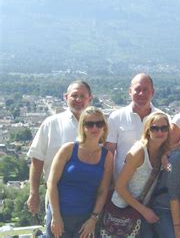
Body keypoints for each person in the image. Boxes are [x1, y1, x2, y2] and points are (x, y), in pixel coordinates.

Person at [27, 80, 93, 215]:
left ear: (90, 99)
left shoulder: (97, 125)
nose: (78, 99)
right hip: (56, 195)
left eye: (83, 96)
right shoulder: (51, 124)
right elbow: (37, 160)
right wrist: (34, 193)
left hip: (89, 198)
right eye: (74, 95)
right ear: (66, 97)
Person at [46, 106, 113, 237]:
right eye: (89, 124)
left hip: (85, 220)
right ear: (82, 127)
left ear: (104, 127)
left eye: (99, 124)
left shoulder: (107, 157)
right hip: (60, 215)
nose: (95, 128)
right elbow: (52, 183)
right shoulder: (69, 149)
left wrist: (93, 219)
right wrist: (56, 216)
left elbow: (103, 191)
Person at [111, 111, 171, 236]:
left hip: (141, 208)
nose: (160, 132)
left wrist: (166, 154)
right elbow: (120, 187)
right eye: (155, 128)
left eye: (164, 128)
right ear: (148, 130)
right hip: (124, 209)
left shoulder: (162, 149)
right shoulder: (138, 151)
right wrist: (144, 211)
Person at [106, 73, 165, 179]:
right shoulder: (116, 117)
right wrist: (109, 181)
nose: (141, 93)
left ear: (153, 92)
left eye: (145, 89)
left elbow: (167, 149)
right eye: (137, 89)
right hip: (121, 184)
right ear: (130, 92)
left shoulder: (163, 119)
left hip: (151, 186)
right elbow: (109, 152)